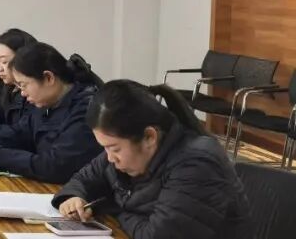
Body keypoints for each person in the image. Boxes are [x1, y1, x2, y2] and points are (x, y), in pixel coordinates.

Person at [54, 80, 251, 239]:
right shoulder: (124, 151)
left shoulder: (197, 164)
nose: (110, 157)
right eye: (104, 148)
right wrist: (74, 197)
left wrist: (110, 207)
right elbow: (83, 178)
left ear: (149, 137)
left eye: (114, 148)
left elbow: (157, 235)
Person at [0, 42, 104, 184]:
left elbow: (55, 166)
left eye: (23, 85)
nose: (22, 93)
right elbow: (21, 133)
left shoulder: (86, 109)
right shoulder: (47, 101)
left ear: (48, 78)